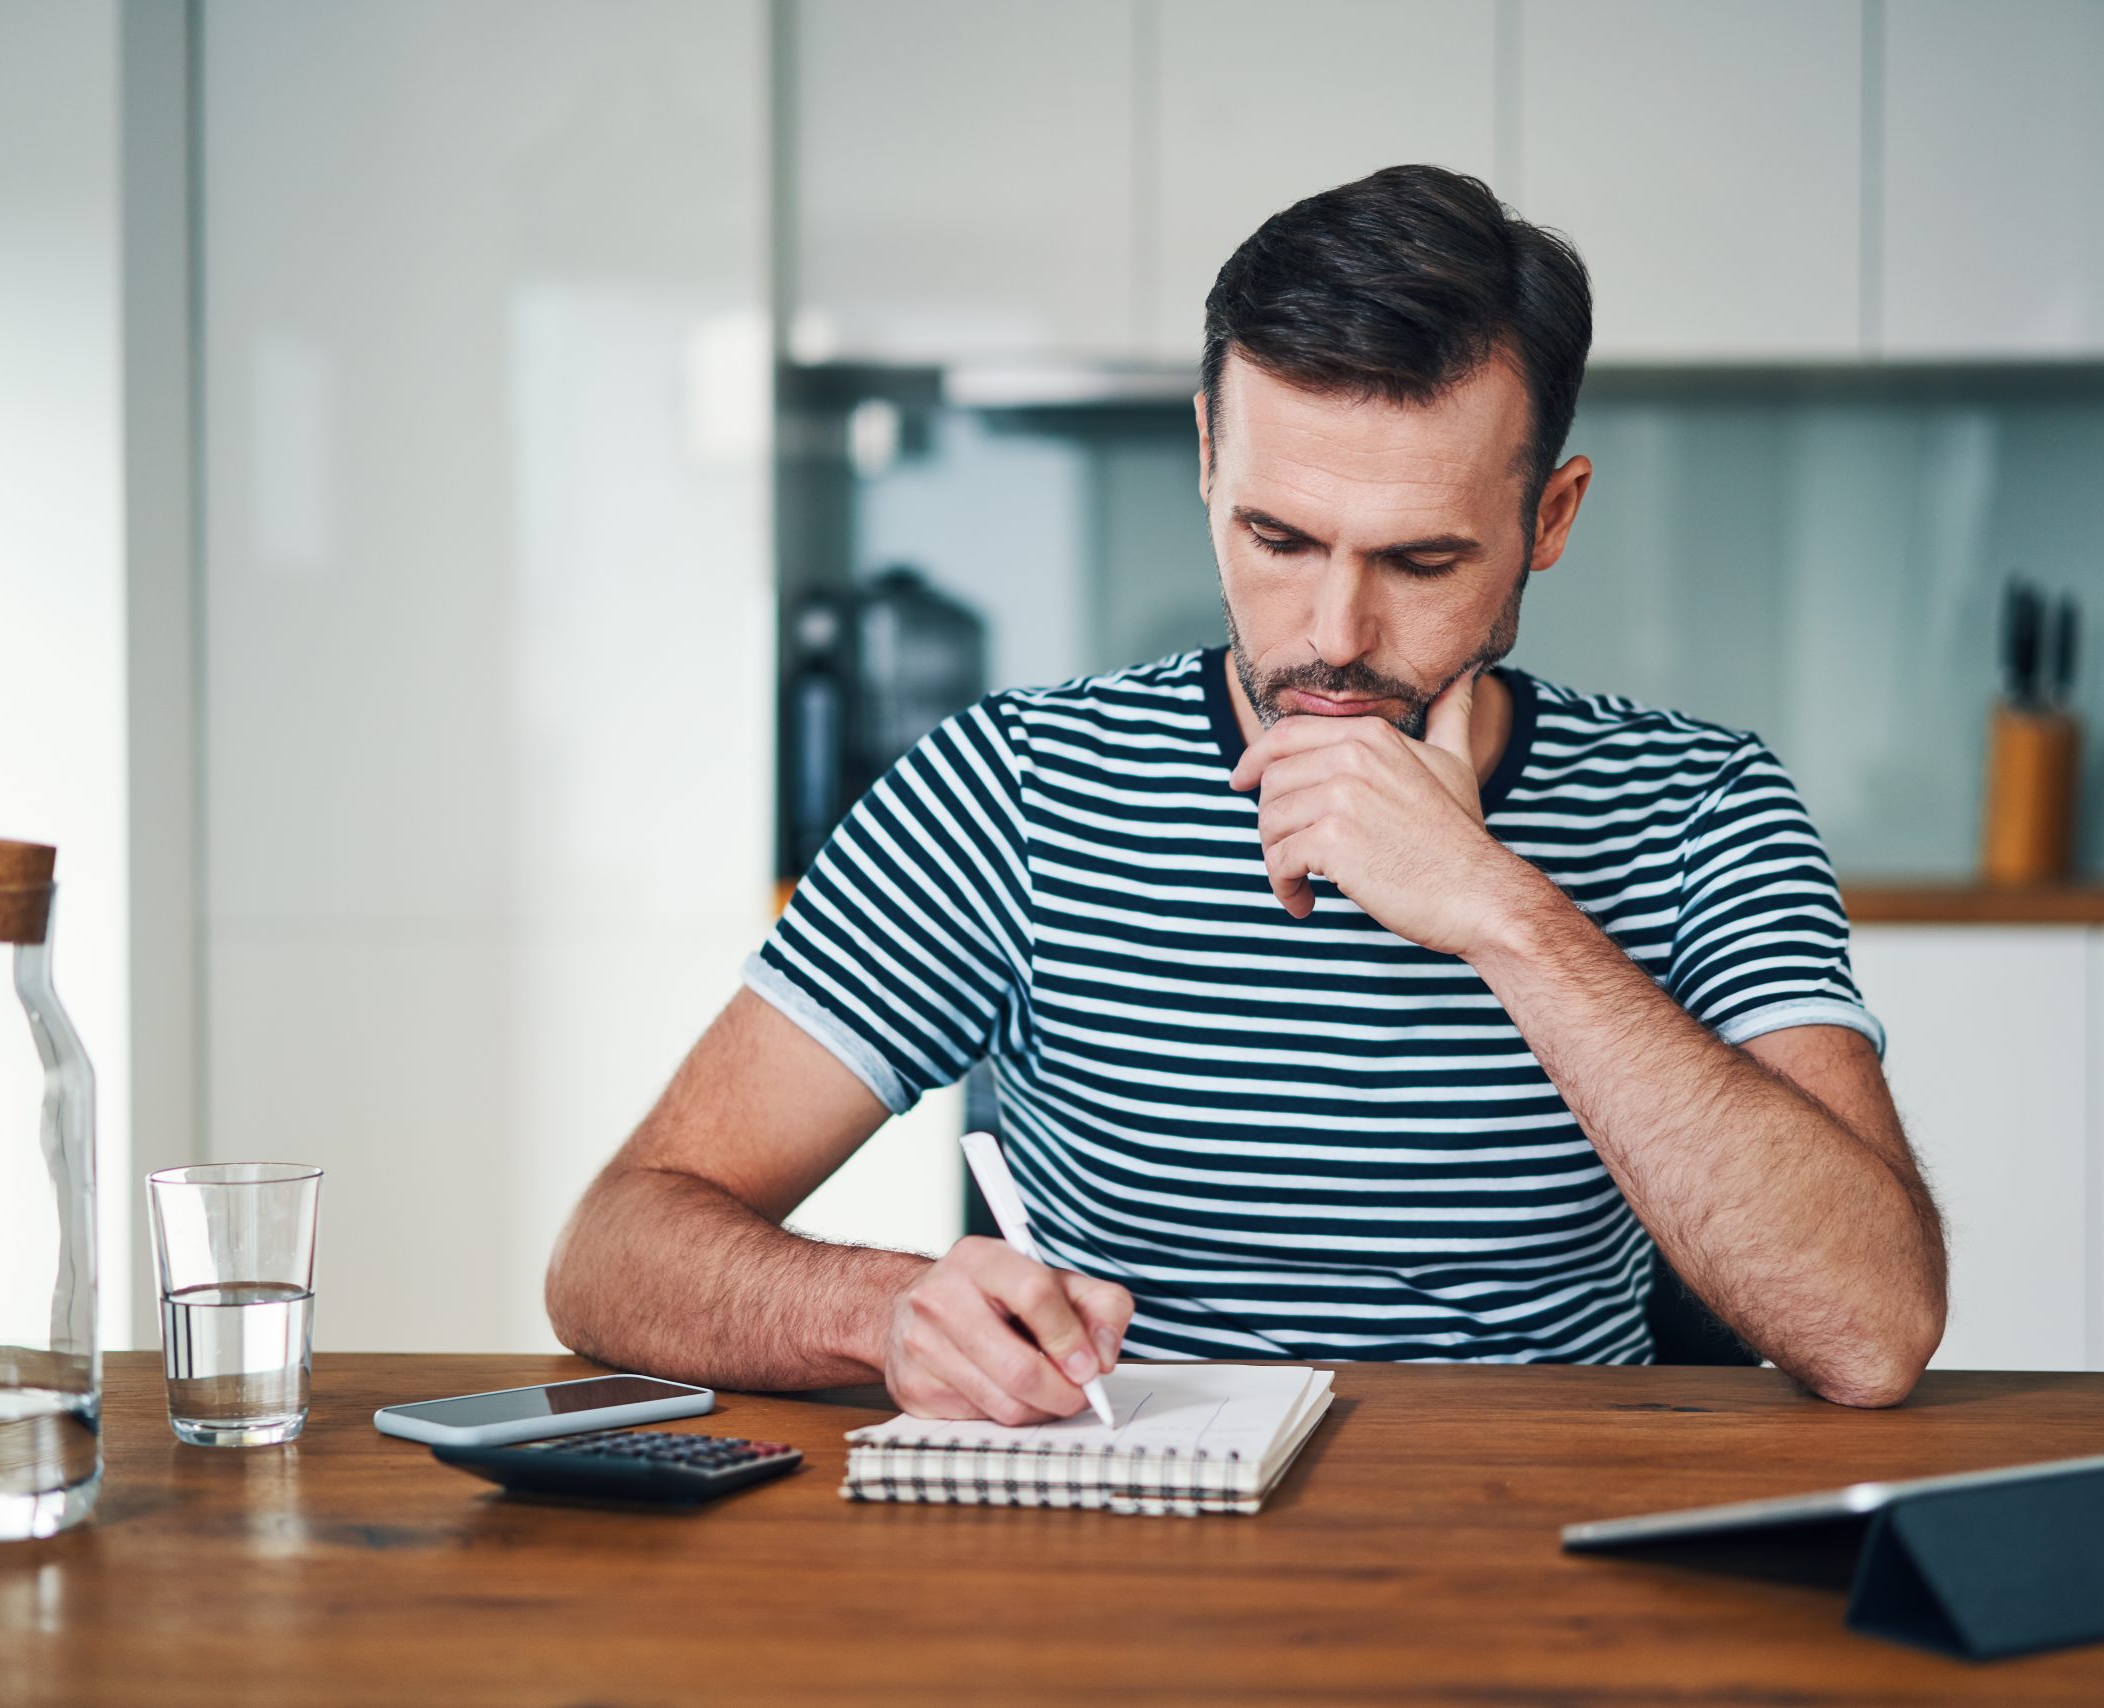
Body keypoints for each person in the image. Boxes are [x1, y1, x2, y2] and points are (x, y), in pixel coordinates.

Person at [547, 165, 1947, 1421]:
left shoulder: (1700, 808)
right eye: (1278, 537)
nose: (1333, 635)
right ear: (1210, 458)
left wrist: (1500, 912)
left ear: (1550, 521)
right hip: (1128, 1564)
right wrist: (884, 1313)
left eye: (1421, 561)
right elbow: (614, 1251)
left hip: (1539, 1570)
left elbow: (1871, 1332)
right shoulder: (1012, 792)